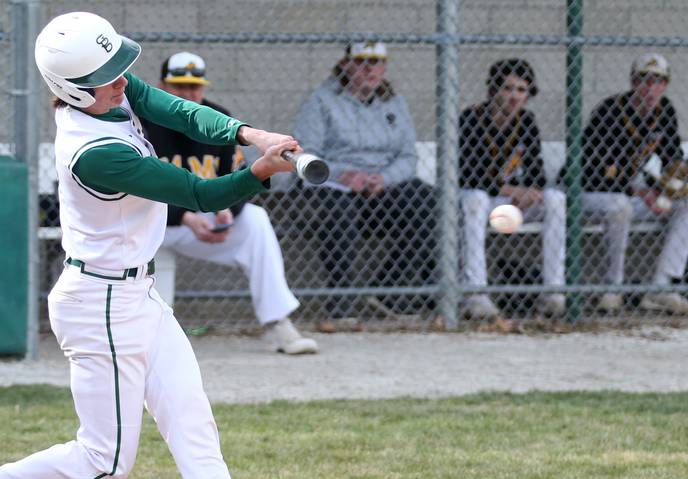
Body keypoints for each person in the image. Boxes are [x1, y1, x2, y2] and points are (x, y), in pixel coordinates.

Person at [0, 11, 304, 479]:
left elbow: (180, 111)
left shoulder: (108, 93)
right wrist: (259, 171)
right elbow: (200, 193)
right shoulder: (93, 151)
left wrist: (249, 134)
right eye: (108, 76)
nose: (123, 81)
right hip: (99, 303)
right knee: (104, 462)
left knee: (191, 419)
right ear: (73, 89)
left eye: (120, 68)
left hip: (137, 292)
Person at [141, 51, 317, 355]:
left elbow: (238, 175)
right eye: (179, 86)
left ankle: (277, 322)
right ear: (162, 87)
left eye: (194, 87)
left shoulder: (216, 118)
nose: (188, 94)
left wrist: (226, 210)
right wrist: (184, 217)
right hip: (156, 223)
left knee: (255, 220)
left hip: (204, 215)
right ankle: (147, 337)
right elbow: (140, 187)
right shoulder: (144, 122)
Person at [293, 41, 436, 318]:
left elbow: (408, 157)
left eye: (376, 63)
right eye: (361, 62)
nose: (369, 70)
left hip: (381, 186)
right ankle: (341, 299)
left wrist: (383, 178)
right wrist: (341, 175)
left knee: (431, 203)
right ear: (346, 65)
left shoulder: (394, 103)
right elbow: (305, 154)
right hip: (335, 186)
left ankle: (390, 291)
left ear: (384, 67)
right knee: (337, 212)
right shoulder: (321, 100)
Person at [579, 52, 688, 314]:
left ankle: (661, 287)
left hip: (630, 194)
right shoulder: (610, 111)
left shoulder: (664, 111)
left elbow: (672, 157)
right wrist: (642, 192)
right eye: (643, 80)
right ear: (632, 82)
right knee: (620, 207)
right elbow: (592, 172)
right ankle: (613, 287)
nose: (650, 88)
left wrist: (672, 187)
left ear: (665, 85)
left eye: (658, 81)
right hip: (589, 193)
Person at [458, 58, 566, 320]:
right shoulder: (471, 118)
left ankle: (554, 292)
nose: (514, 96)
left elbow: (536, 171)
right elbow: (469, 175)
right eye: (507, 88)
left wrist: (530, 191)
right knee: (476, 199)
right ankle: (476, 294)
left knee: (555, 198)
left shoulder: (526, 121)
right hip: (482, 202)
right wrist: (511, 190)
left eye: (521, 90)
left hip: (512, 205)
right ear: (493, 89)